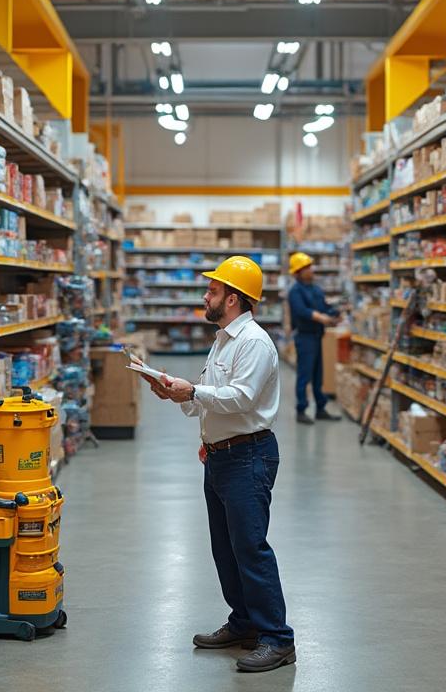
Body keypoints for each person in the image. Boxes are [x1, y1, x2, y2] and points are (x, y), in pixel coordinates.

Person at [147, 255, 296, 673]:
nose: (204, 296)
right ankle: (245, 622)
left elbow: (242, 398)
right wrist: (178, 394)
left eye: (211, 291)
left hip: (248, 455)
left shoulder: (253, 342)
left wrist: (193, 389)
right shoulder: (223, 340)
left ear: (232, 299)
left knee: (251, 548)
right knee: (226, 549)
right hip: (220, 456)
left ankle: (278, 639)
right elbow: (207, 399)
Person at [287, 251, 341, 425]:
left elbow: (324, 306)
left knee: (319, 374)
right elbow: (301, 311)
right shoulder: (295, 291)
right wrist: (319, 317)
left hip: (318, 336)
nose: (311, 270)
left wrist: (334, 313)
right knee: (305, 374)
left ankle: (320, 409)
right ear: (298, 272)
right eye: (306, 267)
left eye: (310, 266)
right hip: (305, 337)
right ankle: (301, 410)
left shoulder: (316, 289)